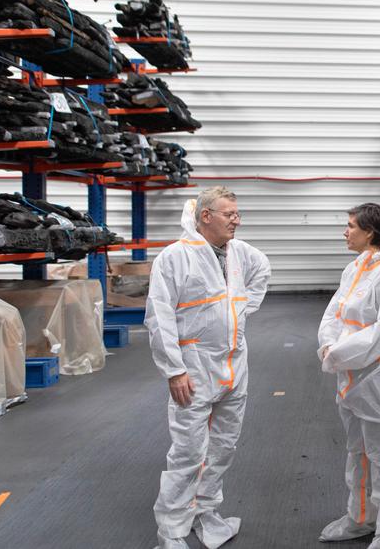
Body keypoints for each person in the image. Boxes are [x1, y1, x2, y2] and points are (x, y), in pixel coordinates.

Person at [145, 187, 271, 549]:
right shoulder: (175, 258)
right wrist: (173, 369)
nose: (237, 219)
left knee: (222, 448)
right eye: (229, 213)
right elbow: (159, 317)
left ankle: (206, 513)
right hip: (195, 368)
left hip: (234, 365)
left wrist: (242, 310)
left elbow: (262, 269)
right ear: (205, 216)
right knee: (187, 453)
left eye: (237, 213)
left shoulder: (238, 253)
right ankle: (171, 531)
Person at [317, 203, 380, 549]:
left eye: (350, 226)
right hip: (350, 377)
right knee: (356, 451)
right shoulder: (355, 268)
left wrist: (337, 353)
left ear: (369, 232)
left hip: (376, 377)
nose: (345, 232)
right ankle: (359, 517)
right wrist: (329, 345)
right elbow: (333, 314)